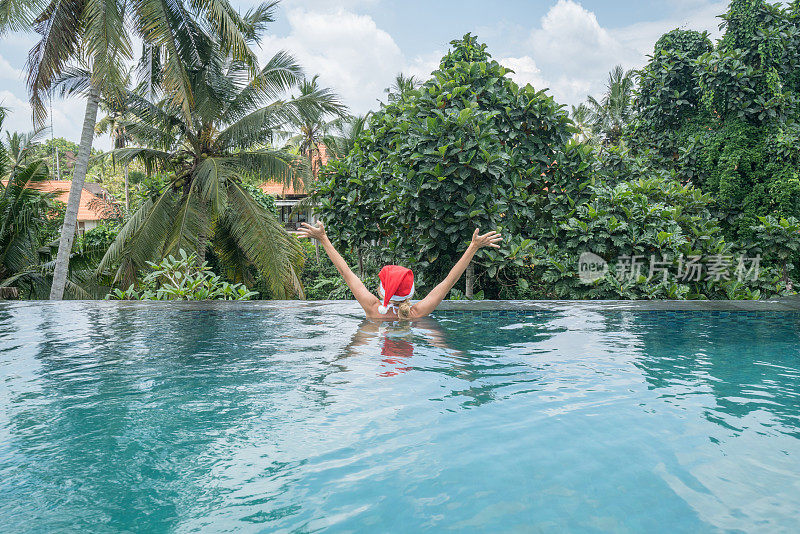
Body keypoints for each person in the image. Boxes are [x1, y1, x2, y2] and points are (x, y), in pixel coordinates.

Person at [298, 221, 502, 320]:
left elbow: (346, 273)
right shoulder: (417, 312)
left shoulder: (372, 309)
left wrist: (323, 238)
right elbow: (450, 280)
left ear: (381, 292)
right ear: (411, 292)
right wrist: (473, 246)